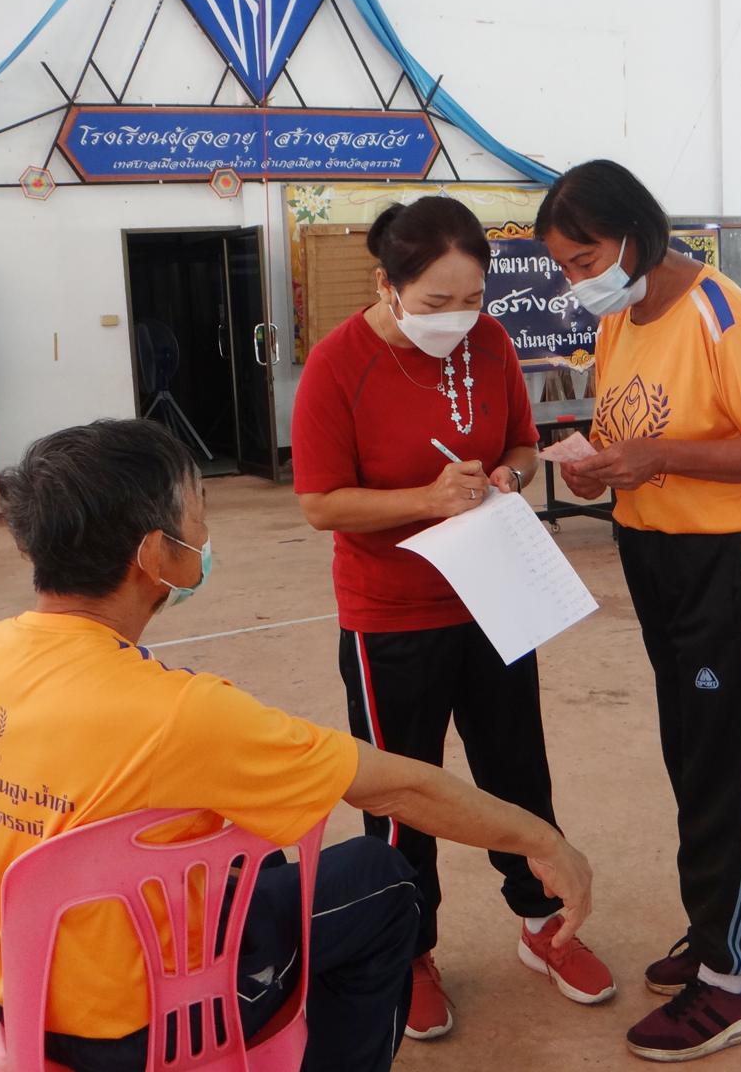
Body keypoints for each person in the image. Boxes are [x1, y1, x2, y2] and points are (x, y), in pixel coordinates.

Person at [0, 418, 595, 1072]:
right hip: (139, 1025)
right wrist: (543, 841)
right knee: (383, 879)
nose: (204, 536)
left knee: (261, 858)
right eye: (198, 513)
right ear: (155, 555)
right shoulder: (181, 712)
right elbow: (401, 787)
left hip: (20, 997)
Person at [291, 196, 614, 1040]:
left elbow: (518, 444)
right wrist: (425, 499)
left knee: (517, 767)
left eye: (472, 299)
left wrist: (509, 477)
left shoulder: (490, 342)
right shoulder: (338, 364)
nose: (457, 319)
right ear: (387, 285)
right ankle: (410, 949)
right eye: (437, 302)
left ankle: (544, 922)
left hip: (494, 593)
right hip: (391, 614)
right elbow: (321, 503)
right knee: (404, 789)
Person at [536, 160, 741, 1063]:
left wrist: (657, 456)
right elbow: (633, 432)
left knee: (724, 764)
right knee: (697, 755)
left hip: (731, 562)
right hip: (656, 555)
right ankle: (740, 933)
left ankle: (729, 984)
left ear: (636, 234)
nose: (578, 281)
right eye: (566, 267)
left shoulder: (720, 313)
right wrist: (601, 465)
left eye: (586, 260)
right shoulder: (621, 317)